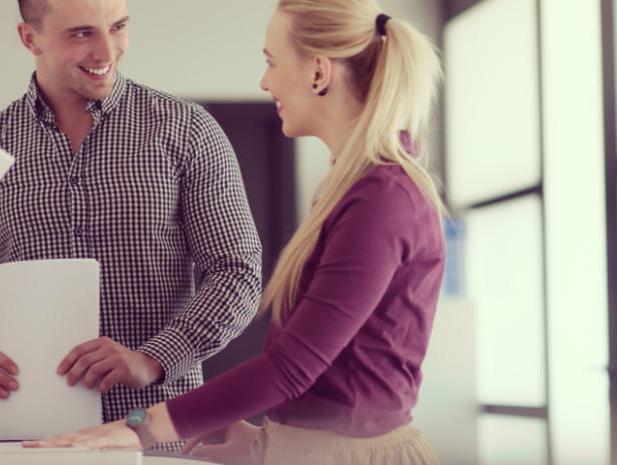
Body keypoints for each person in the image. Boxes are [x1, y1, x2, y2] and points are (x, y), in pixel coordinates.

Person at [27, 1, 446, 463]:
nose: (265, 82)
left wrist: (137, 429)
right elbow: (338, 376)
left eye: (271, 62)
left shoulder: (381, 198)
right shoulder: (356, 187)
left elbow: (290, 367)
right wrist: (270, 441)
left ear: (319, 73)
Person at [0, 0, 263, 452]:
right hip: (30, 443)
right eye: (81, 34)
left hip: (156, 437)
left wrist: (154, 358)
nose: (106, 50)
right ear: (28, 38)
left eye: (117, 28)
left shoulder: (188, 131)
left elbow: (238, 272)